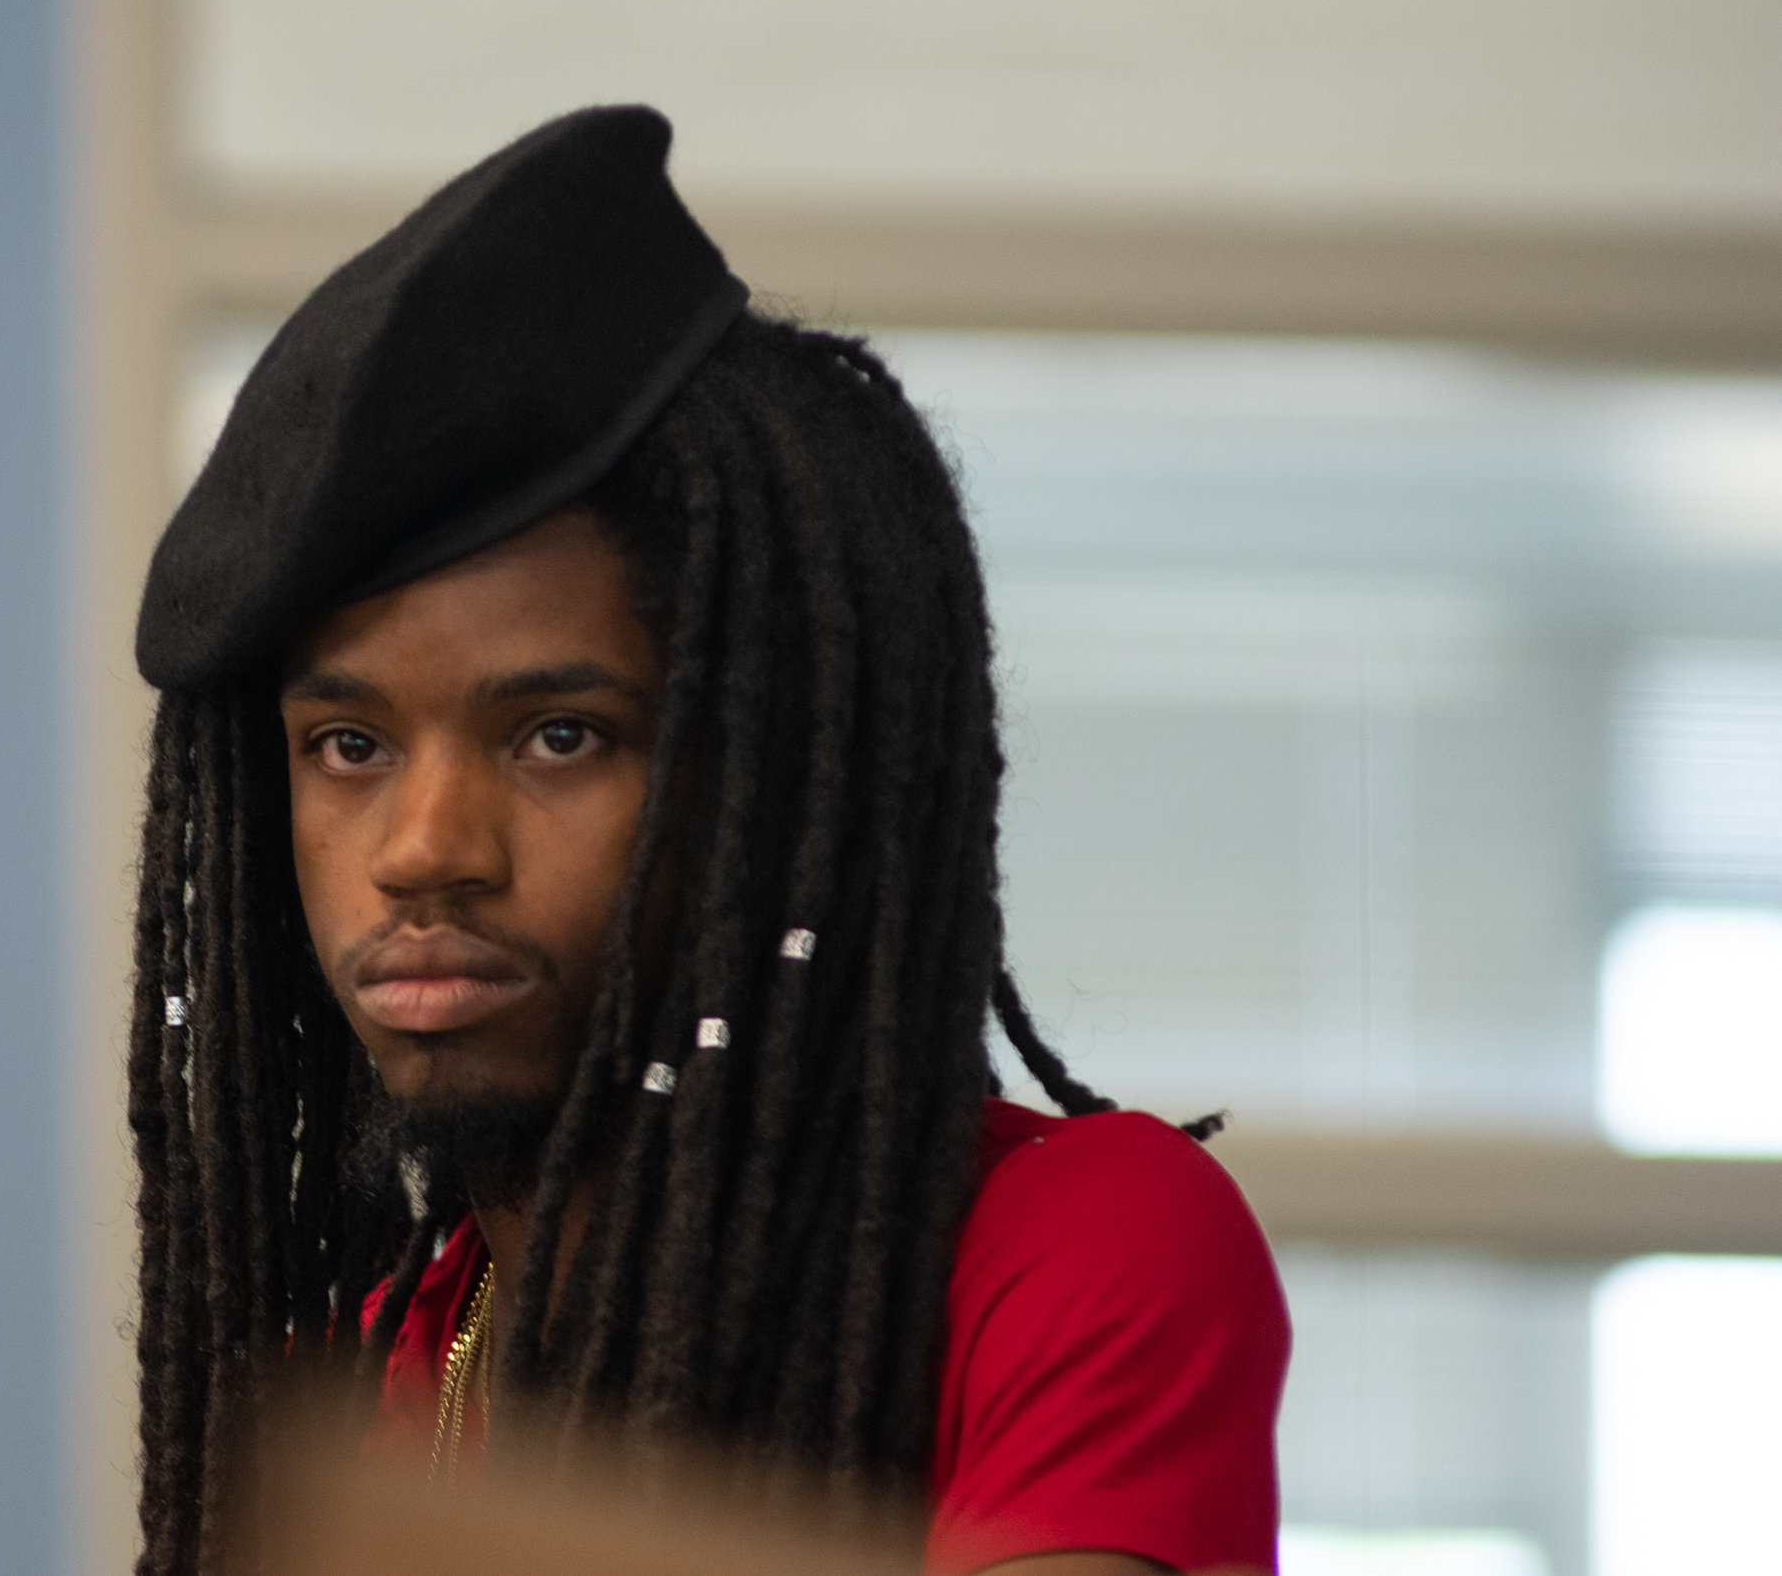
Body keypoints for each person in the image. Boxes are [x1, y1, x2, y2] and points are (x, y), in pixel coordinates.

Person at [127, 106, 1290, 1576]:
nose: (424, 850)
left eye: (560, 736)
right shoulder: (409, 1351)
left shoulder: (1076, 1245)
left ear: (775, 777)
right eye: (347, 747)